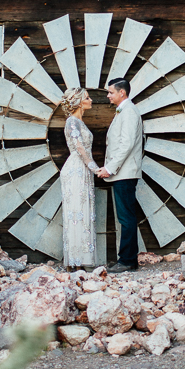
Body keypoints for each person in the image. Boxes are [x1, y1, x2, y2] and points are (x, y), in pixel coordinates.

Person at [97, 77, 144, 273]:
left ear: (121, 93)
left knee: (126, 217)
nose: (108, 95)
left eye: (110, 92)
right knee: (125, 217)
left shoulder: (129, 112)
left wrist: (110, 168)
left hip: (124, 173)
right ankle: (127, 259)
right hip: (122, 173)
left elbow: (127, 144)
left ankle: (127, 260)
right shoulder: (123, 111)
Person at [60, 87, 101, 270]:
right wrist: (93, 166)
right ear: (78, 102)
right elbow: (79, 147)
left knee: (83, 211)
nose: (90, 100)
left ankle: (81, 259)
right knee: (76, 212)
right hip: (76, 168)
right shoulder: (72, 121)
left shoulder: (78, 122)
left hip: (82, 169)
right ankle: (75, 261)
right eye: (87, 97)